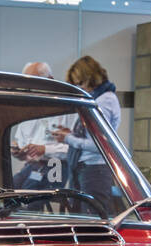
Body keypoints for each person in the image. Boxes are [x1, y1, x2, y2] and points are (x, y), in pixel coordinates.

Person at [53, 56, 120, 215]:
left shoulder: (104, 101)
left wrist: (68, 138)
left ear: (90, 78)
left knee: (93, 216)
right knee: (81, 215)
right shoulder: (96, 99)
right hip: (86, 167)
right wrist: (71, 134)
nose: (80, 89)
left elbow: (99, 144)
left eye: (80, 83)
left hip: (94, 168)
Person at [9, 62, 74, 191]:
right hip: (32, 165)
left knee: (29, 195)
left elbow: (73, 148)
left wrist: (45, 149)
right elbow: (20, 142)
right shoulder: (27, 109)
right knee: (9, 191)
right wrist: (17, 151)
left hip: (56, 165)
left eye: (33, 82)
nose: (29, 88)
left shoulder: (66, 107)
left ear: (50, 80)